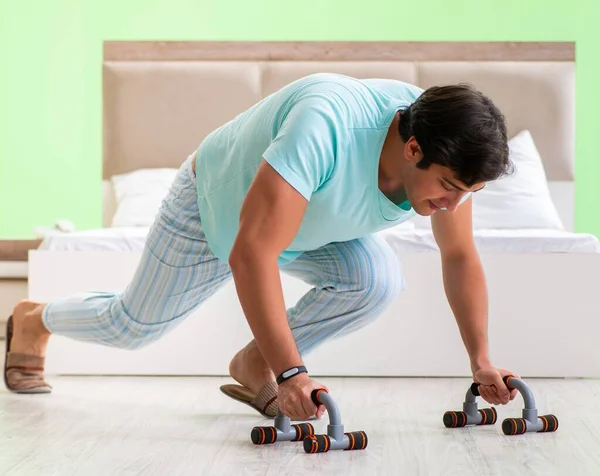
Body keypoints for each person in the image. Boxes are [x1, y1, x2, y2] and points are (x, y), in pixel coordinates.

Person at [4, 73, 519, 421]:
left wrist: (481, 360)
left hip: (307, 225)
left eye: (469, 194)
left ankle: (256, 364)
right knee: (131, 327)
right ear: (413, 150)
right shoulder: (326, 126)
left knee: (377, 280)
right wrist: (294, 372)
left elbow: (458, 256)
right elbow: (251, 252)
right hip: (215, 211)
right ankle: (32, 319)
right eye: (451, 188)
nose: (455, 205)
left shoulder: (448, 142)